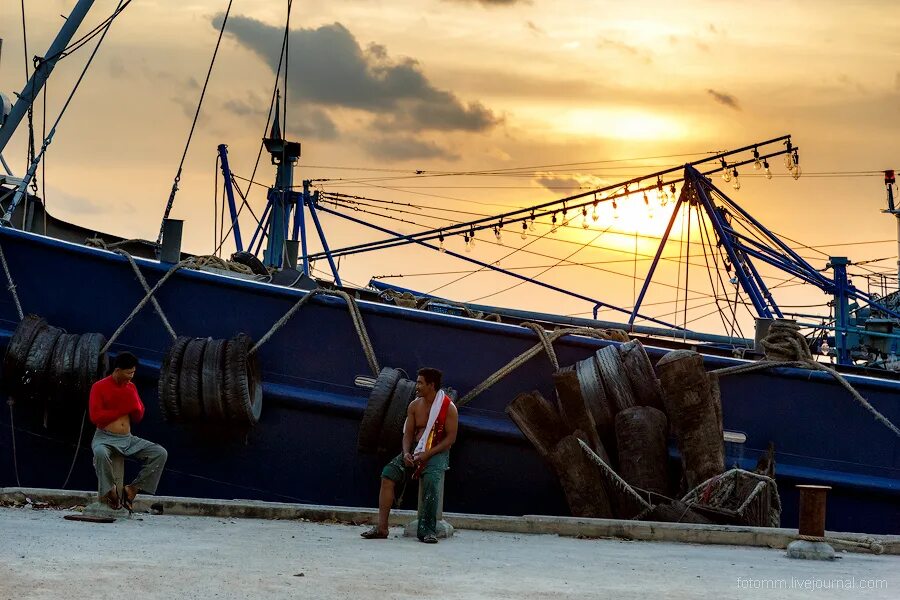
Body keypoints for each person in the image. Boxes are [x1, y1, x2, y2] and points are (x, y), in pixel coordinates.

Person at [361, 367, 458, 543]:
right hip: (414, 449)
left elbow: (450, 439)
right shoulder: (414, 406)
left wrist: (428, 453)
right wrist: (406, 453)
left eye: (420, 382)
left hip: (437, 451)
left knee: (430, 481)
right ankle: (382, 528)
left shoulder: (448, 408)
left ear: (431, 385)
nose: (417, 386)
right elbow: (408, 434)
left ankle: (427, 531)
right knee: (387, 475)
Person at [89, 351, 167, 512]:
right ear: (117, 370)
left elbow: (138, 416)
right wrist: (123, 407)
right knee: (100, 453)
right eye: (128, 372)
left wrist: (136, 406)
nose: (131, 376)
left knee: (159, 453)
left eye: (133, 372)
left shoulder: (131, 387)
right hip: (105, 437)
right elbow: (96, 417)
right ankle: (110, 490)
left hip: (127, 438)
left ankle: (133, 489)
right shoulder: (99, 387)